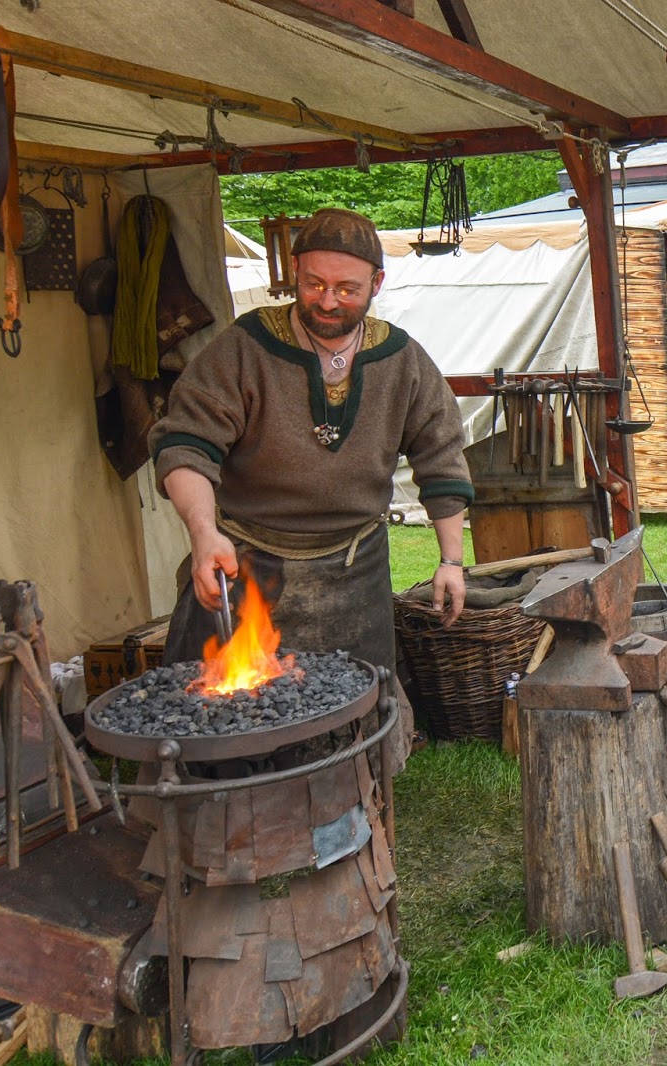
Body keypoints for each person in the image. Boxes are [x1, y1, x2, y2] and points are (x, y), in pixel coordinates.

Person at [150, 207, 473, 761]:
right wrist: (204, 533)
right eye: (314, 284)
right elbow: (186, 444)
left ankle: (354, 809)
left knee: (351, 725)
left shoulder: (401, 359)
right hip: (246, 565)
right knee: (219, 720)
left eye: (347, 289)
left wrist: (451, 560)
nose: (327, 301)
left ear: (376, 283)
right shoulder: (244, 348)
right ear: (294, 271)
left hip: (354, 572)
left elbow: (441, 457)